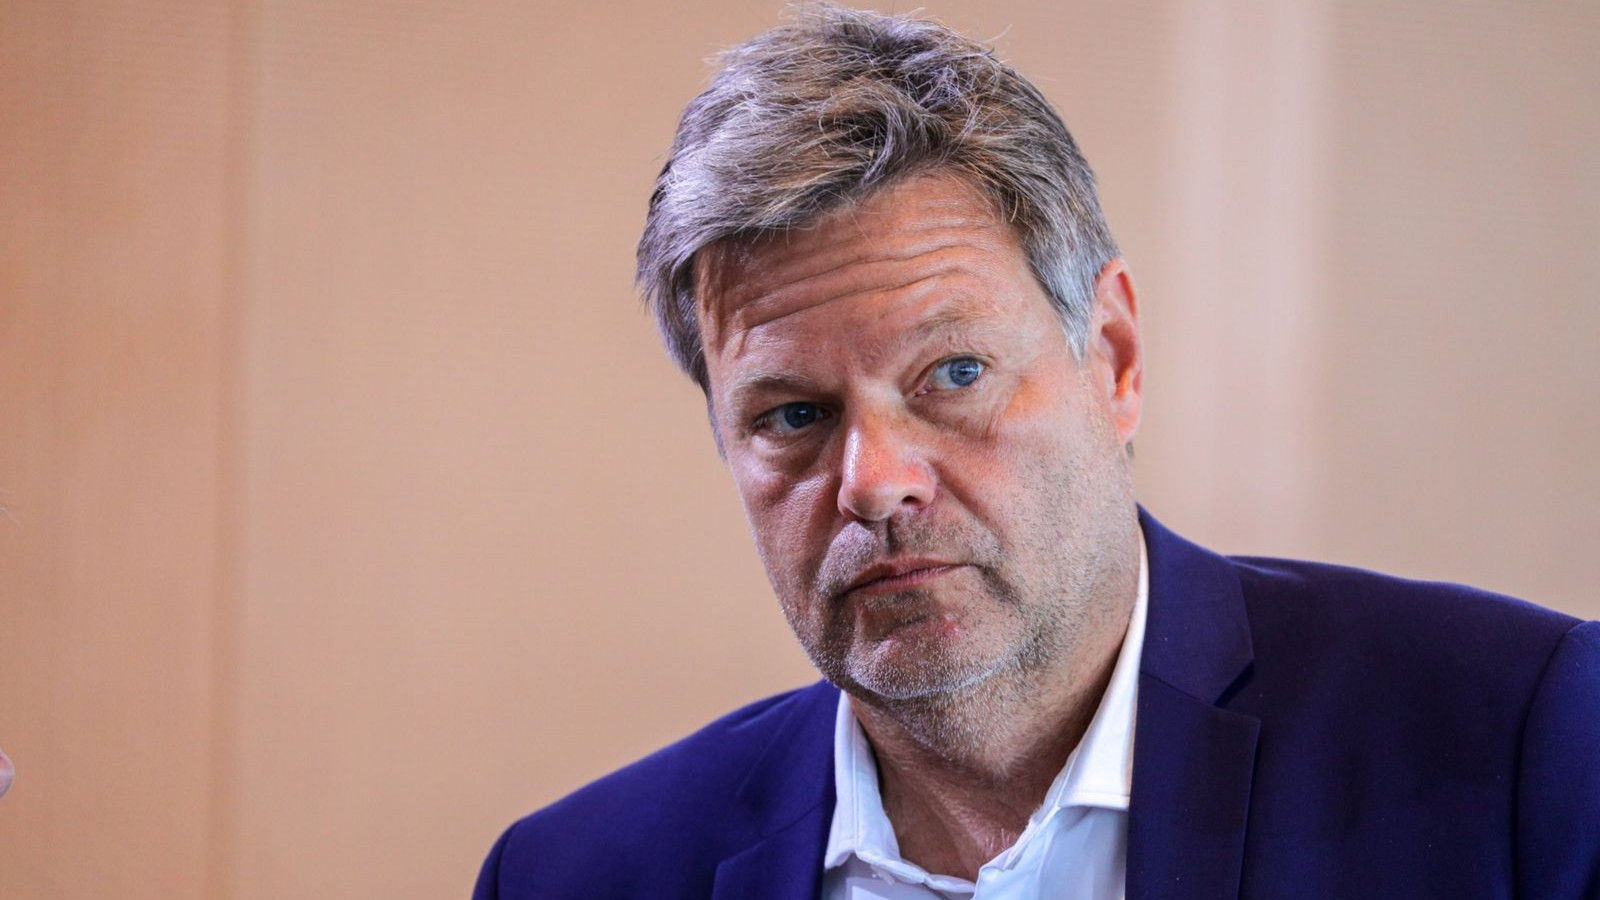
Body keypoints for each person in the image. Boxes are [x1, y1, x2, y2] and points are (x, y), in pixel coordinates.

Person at [475, 6, 1600, 898]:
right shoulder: (575, 876)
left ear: (1113, 359)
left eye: (954, 373)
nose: (874, 482)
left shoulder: (1521, 744)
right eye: (793, 416)